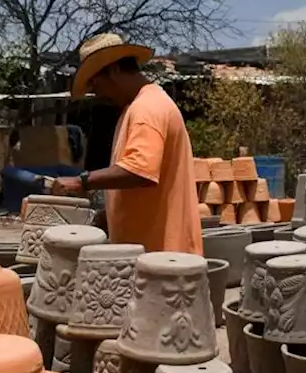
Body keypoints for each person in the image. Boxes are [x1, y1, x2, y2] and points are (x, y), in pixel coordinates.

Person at [50, 33, 202, 254]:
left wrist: (81, 181)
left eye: (95, 82)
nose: (97, 92)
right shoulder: (139, 106)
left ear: (113, 70)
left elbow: (140, 171)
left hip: (162, 258)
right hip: (151, 256)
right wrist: (110, 215)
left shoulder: (146, 110)